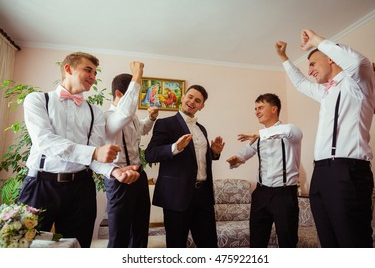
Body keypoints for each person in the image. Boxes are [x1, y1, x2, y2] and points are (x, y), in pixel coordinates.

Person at [18, 52, 140, 248]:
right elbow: (45, 141)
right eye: (88, 70)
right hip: (40, 186)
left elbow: (93, 156)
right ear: (68, 68)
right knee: (25, 246)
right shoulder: (37, 100)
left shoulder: (95, 112)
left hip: (82, 188)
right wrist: (93, 152)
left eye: (95, 72)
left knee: (79, 246)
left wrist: (113, 171)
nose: (93, 76)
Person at [275, 29, 375, 248]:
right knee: (328, 242)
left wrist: (318, 41)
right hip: (321, 173)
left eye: (312, 64)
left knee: (352, 242)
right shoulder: (326, 93)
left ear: (331, 58)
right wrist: (284, 58)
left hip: (347, 171)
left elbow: (359, 63)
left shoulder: (357, 84)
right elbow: (301, 83)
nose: (309, 71)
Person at [145, 84, 225, 248]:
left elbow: (198, 159)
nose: (192, 102)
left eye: (198, 100)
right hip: (176, 196)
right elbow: (150, 154)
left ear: (201, 106)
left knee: (209, 244)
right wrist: (175, 148)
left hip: (203, 195)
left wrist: (214, 153)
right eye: (190, 97)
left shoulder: (201, 129)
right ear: (182, 97)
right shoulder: (165, 124)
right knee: (177, 246)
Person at [227, 93, 302, 248]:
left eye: (260, 107)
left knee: (287, 241)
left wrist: (259, 133)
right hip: (261, 193)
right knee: (257, 241)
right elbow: (245, 154)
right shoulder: (258, 137)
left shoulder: (291, 132)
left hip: (284, 193)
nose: (256, 112)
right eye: (255, 109)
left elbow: (290, 130)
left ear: (274, 109)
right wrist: (236, 159)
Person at [104, 63, 159, 248]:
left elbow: (141, 130)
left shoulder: (133, 117)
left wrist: (150, 118)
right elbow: (124, 113)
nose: (137, 102)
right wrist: (138, 74)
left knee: (140, 228)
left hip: (140, 177)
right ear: (120, 94)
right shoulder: (107, 117)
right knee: (119, 233)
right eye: (133, 96)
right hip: (119, 179)